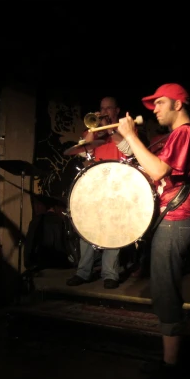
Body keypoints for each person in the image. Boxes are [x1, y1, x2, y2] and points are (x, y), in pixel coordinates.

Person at [117, 83, 190, 379]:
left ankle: (172, 369)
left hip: (177, 221)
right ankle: (169, 361)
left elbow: (157, 171)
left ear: (178, 104)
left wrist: (130, 136)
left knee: (166, 292)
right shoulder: (178, 136)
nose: (153, 109)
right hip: (173, 220)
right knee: (163, 289)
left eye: (160, 103)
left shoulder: (185, 133)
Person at [65, 97, 128, 289]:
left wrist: (111, 130)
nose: (104, 112)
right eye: (101, 108)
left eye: (109, 108)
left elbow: (129, 150)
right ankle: (83, 272)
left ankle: (110, 273)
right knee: (88, 229)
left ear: (116, 110)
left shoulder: (124, 131)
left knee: (113, 231)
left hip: (117, 186)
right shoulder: (91, 132)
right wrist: (94, 129)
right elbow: (83, 152)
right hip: (94, 186)